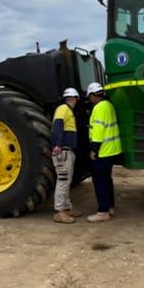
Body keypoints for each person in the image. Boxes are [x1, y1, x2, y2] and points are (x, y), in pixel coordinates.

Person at [85, 82, 122, 222]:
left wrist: (94, 150)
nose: (90, 99)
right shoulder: (109, 105)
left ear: (94, 95)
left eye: (90, 96)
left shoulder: (99, 108)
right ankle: (110, 207)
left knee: (99, 181)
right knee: (107, 180)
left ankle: (102, 212)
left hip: (103, 151)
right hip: (112, 149)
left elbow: (99, 130)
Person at [51, 87, 82, 223]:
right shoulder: (63, 109)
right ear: (74, 98)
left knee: (67, 181)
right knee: (63, 180)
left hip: (67, 151)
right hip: (62, 151)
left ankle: (67, 207)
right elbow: (57, 126)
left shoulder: (66, 110)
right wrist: (57, 145)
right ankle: (59, 211)